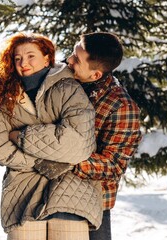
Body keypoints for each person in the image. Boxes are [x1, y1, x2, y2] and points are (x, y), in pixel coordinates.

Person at [0, 32, 103, 240]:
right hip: (22, 191)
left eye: (30, 56)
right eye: (17, 58)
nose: (23, 63)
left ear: (47, 58)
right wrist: (43, 161)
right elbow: (0, 149)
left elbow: (78, 145)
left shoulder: (69, 88)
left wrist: (21, 137)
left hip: (70, 188)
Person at [65, 32, 142, 240]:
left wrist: (63, 160)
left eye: (76, 59)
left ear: (96, 75)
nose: (68, 60)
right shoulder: (65, 82)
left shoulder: (121, 107)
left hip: (93, 202)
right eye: (73, 52)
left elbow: (113, 164)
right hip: (54, 194)